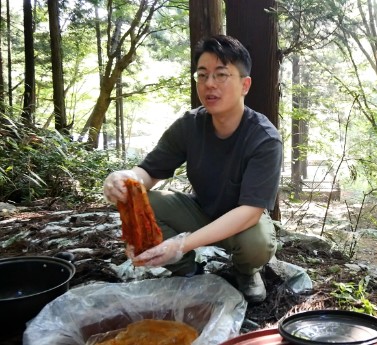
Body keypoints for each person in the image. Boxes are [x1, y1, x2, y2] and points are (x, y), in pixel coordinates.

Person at [103, 35, 282, 304]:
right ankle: (188, 271)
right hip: (200, 212)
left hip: (241, 224)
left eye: (221, 75)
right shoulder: (189, 125)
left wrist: (182, 244)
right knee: (139, 199)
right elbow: (148, 172)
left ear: (245, 85)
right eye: (202, 75)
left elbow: (249, 212)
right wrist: (126, 178)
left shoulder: (264, 138)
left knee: (257, 244)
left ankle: (246, 272)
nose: (209, 84)